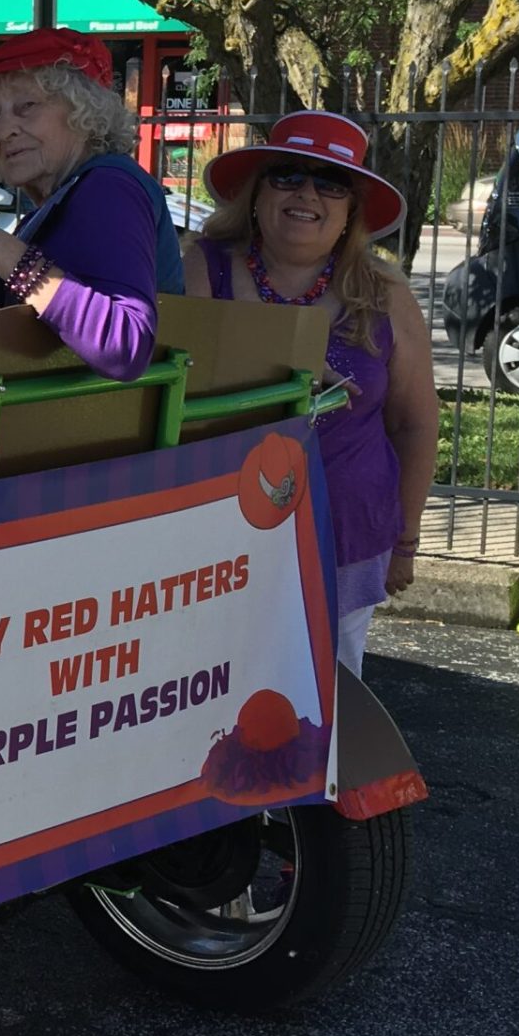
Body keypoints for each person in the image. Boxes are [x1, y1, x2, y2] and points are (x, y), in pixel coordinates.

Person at [186, 111, 437, 673]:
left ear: (351, 212)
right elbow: (181, 378)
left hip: (345, 534)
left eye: (331, 183)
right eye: (287, 175)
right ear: (256, 193)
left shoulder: (385, 291)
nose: (307, 194)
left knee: (326, 690)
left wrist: (406, 540)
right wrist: (288, 359)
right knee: (218, 686)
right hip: (220, 534)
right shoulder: (203, 266)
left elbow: (415, 423)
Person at [0, 28, 181, 381]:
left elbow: (125, 347)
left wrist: (1, 252)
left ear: (82, 110)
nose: (5, 131)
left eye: (27, 107)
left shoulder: (108, 186)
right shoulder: (64, 200)